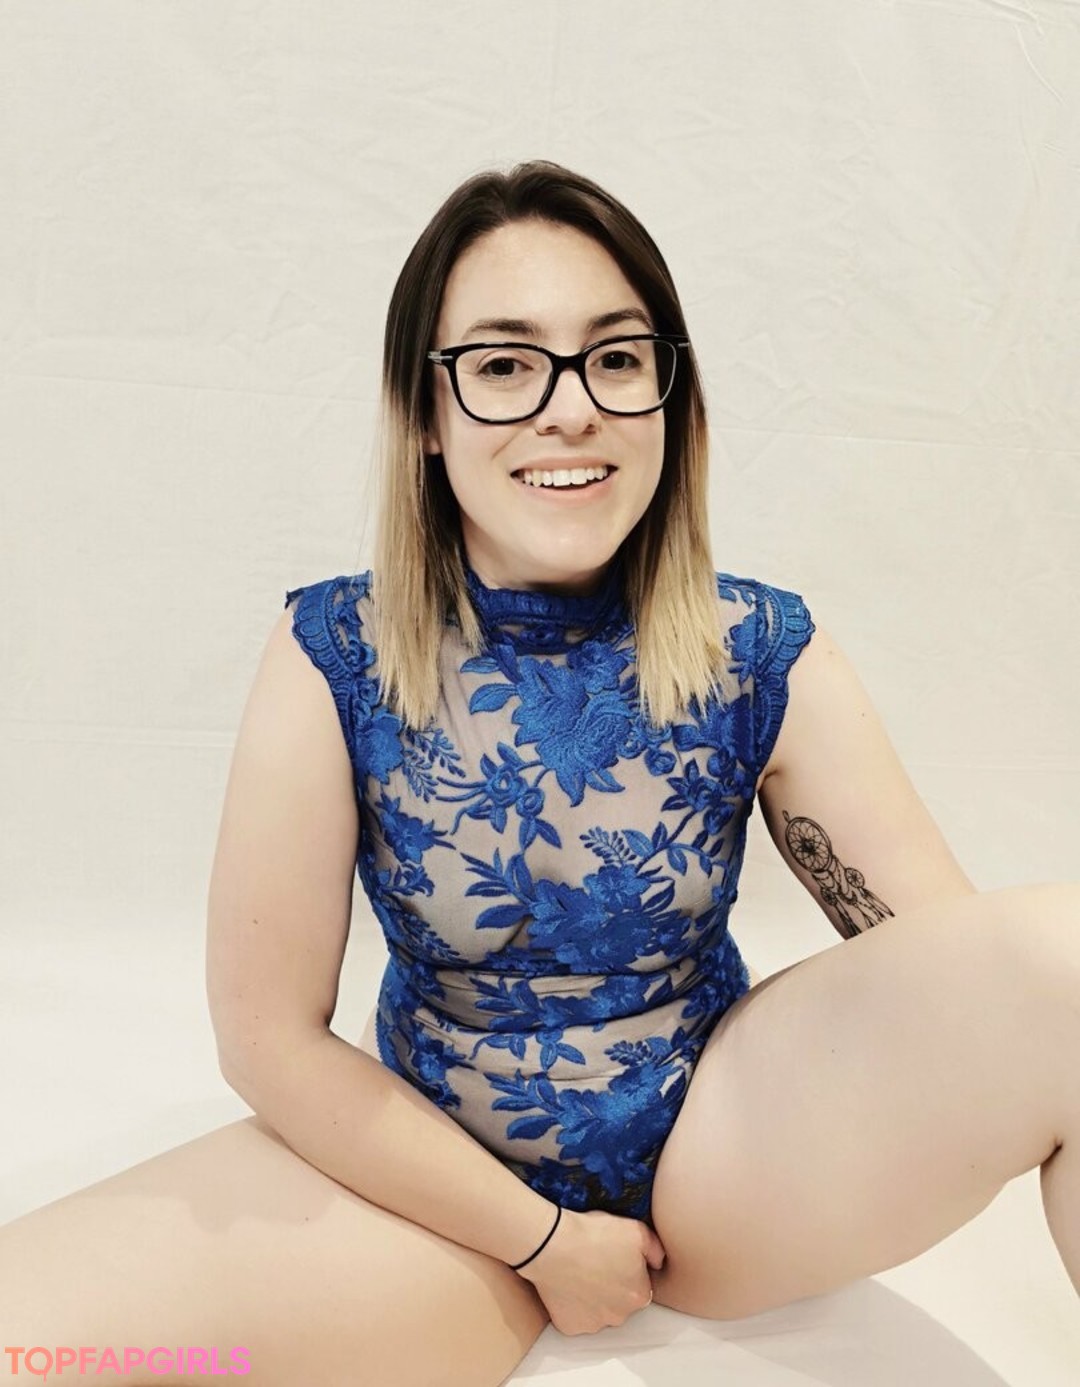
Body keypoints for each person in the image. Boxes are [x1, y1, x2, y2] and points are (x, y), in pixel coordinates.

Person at [1, 160, 1076, 1387]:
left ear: (670, 397)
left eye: (615, 358)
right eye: (507, 365)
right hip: (440, 1194)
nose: (572, 409)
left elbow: (951, 972)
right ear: (424, 410)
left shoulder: (761, 648)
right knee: (25, 1340)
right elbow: (266, 1040)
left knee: (1066, 971)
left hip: (728, 1167)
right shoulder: (334, 653)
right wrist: (545, 1241)